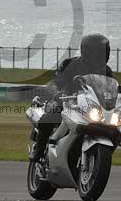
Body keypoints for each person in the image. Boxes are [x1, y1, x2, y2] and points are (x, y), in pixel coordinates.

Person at [28, 33, 113, 161]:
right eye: (96, 52)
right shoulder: (71, 64)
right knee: (49, 118)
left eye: (102, 51)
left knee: (112, 125)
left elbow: (110, 90)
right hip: (67, 102)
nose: (98, 55)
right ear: (87, 51)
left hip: (91, 107)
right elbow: (54, 83)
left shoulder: (107, 71)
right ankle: (39, 152)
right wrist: (57, 93)